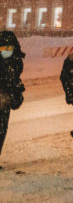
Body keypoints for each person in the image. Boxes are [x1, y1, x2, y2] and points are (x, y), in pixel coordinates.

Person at [0, 31, 27, 169]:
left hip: (4, 101)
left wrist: (17, 90)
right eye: (4, 48)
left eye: (10, 48)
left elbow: (15, 79)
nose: (7, 51)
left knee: (2, 129)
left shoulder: (16, 61)